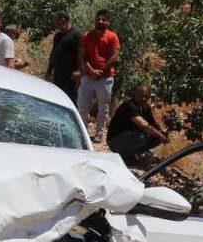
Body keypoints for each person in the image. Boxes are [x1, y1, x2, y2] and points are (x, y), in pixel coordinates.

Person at [76, 9, 121, 142]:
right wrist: (91, 70)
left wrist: (101, 71)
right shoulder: (87, 36)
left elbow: (114, 56)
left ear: (108, 22)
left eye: (103, 19)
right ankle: (82, 133)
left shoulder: (112, 37)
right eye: (98, 19)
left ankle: (99, 134)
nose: (100, 21)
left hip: (105, 77)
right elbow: (82, 56)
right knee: (82, 104)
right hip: (88, 77)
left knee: (103, 106)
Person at [108, 83, 169, 166]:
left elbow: (152, 124)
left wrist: (162, 134)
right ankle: (125, 155)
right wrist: (161, 136)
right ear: (135, 94)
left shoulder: (146, 107)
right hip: (115, 141)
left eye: (146, 96)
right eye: (141, 95)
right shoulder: (129, 105)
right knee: (144, 133)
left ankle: (132, 154)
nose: (143, 98)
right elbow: (143, 125)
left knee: (156, 136)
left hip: (128, 138)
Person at [45, 11, 81, 104]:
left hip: (71, 76)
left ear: (64, 20)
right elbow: (53, 54)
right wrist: (49, 71)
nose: (56, 25)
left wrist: (77, 70)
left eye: (57, 22)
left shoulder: (76, 34)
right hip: (58, 74)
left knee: (70, 100)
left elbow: (81, 54)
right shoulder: (58, 36)